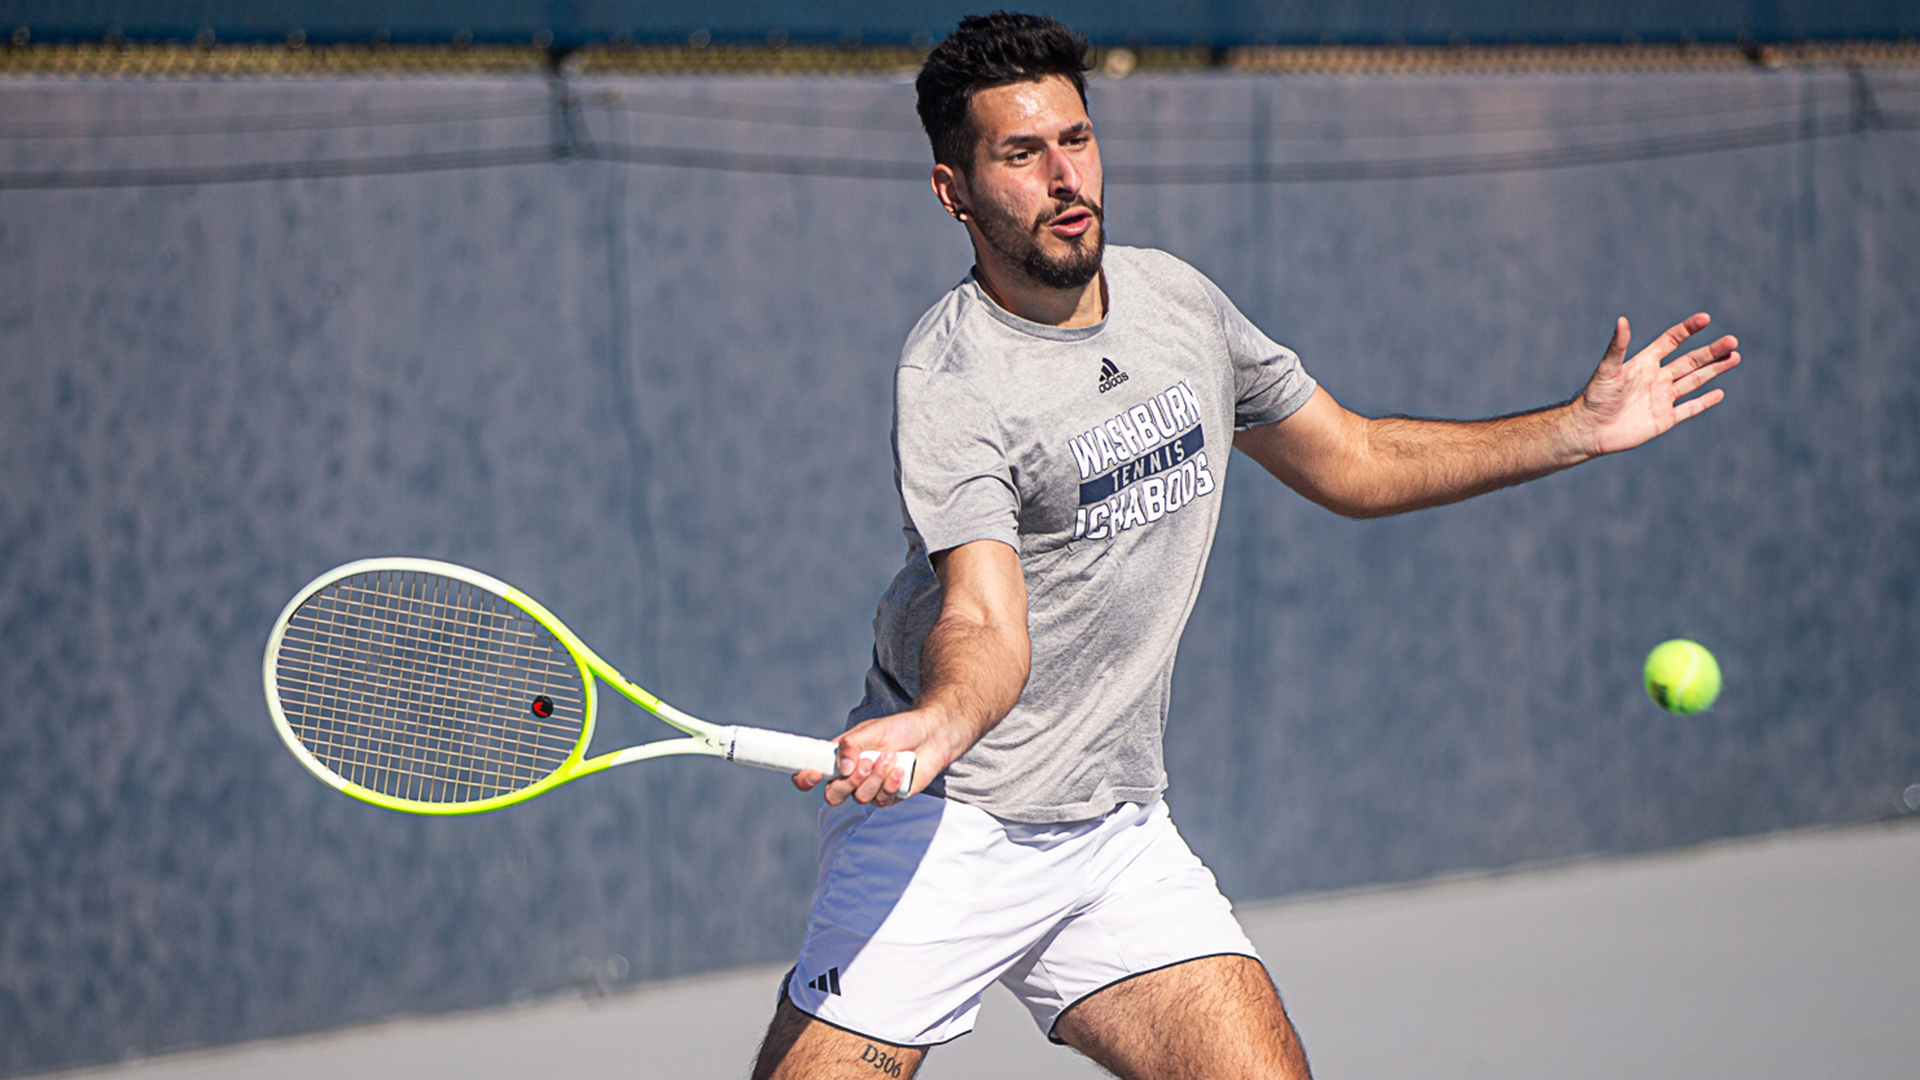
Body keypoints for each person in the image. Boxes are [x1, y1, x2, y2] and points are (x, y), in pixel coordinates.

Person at [751, 13, 1740, 1080]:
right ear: (954, 191)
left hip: (1107, 830)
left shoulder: (1177, 303)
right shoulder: (951, 381)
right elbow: (985, 616)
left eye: (1075, 139)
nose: (1063, 177)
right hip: (946, 827)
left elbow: (1352, 459)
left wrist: (1575, 430)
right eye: (1021, 154)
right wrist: (941, 720)